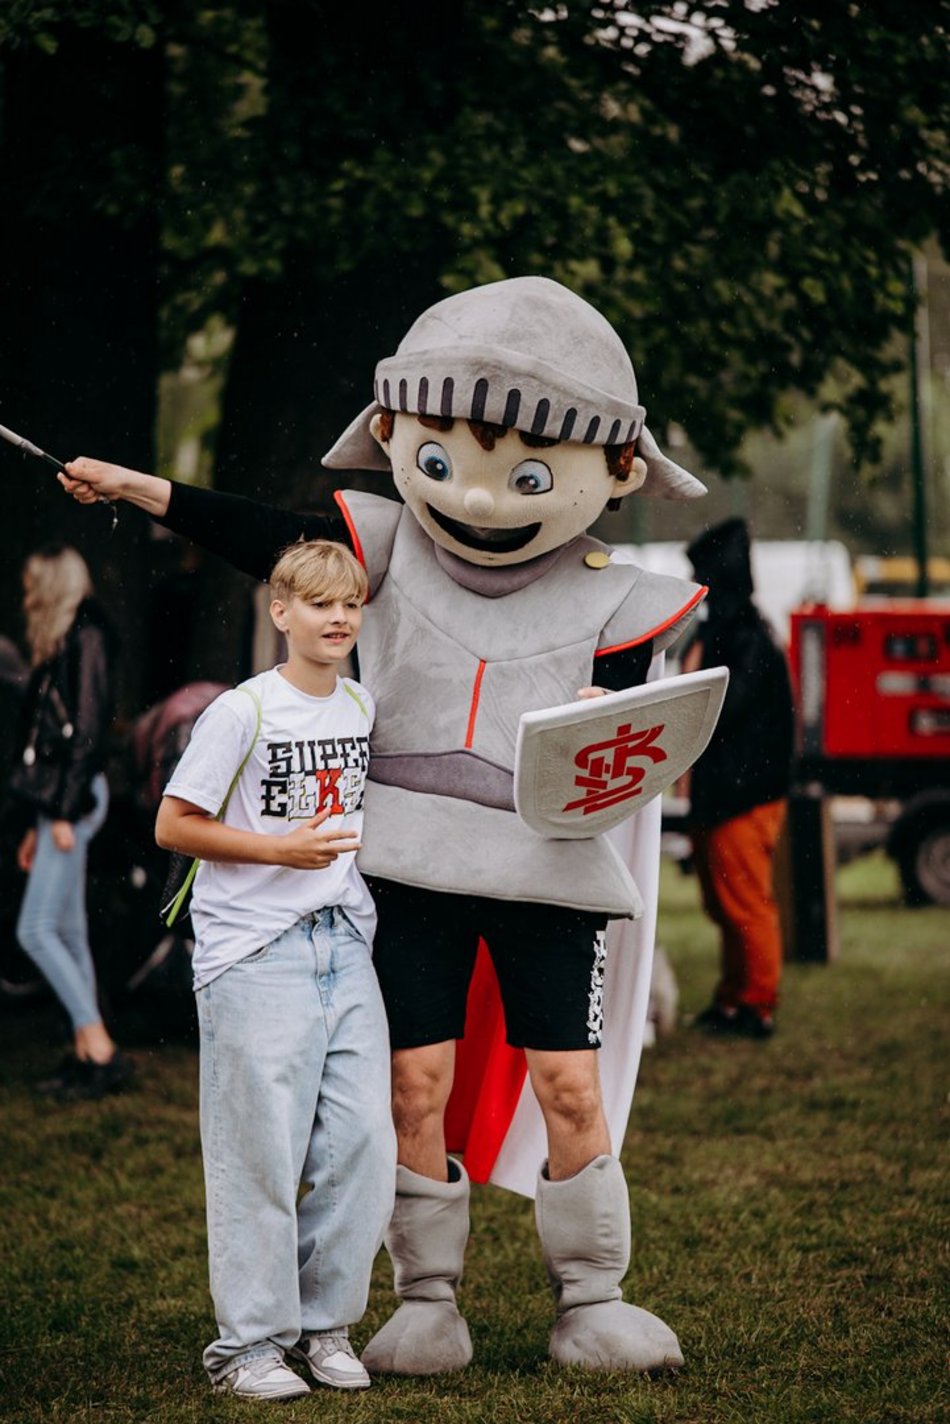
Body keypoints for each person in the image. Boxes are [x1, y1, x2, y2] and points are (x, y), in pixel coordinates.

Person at [61, 276, 709, 1374]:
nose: (485, 500)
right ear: (392, 436)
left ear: (616, 471)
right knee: (415, 1081)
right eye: (446, 460)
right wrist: (135, 485)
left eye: (532, 473)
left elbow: (629, 738)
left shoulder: (617, 595)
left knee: (566, 1082)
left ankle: (591, 1294)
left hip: (548, 871)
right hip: (405, 867)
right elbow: (258, 533)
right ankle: (426, 1296)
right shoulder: (383, 548)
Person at [154, 538, 396, 1401]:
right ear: (281, 610)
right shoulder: (241, 712)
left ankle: (327, 1327)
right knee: (259, 1154)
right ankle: (248, 1348)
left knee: (365, 1144)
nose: (337, 618)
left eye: (351, 604)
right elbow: (173, 826)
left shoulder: (364, 706)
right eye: (319, 603)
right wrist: (275, 852)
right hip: (253, 952)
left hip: (344, 944)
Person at [7, 543, 131, 1100]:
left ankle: (98, 1044)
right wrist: (42, 820)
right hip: (58, 803)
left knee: (36, 931)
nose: (27, 596)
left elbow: (86, 732)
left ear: (54, 587)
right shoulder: (65, 641)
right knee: (68, 931)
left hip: (71, 800)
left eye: (35, 585)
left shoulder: (86, 636)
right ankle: (90, 1053)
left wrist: (60, 812)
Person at [684, 518, 795, 1039]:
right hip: (724, 794)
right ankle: (734, 998)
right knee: (724, 902)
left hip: (744, 796)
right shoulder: (730, 634)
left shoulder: (745, 641)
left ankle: (759, 1003)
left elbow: (721, 712)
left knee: (746, 902)